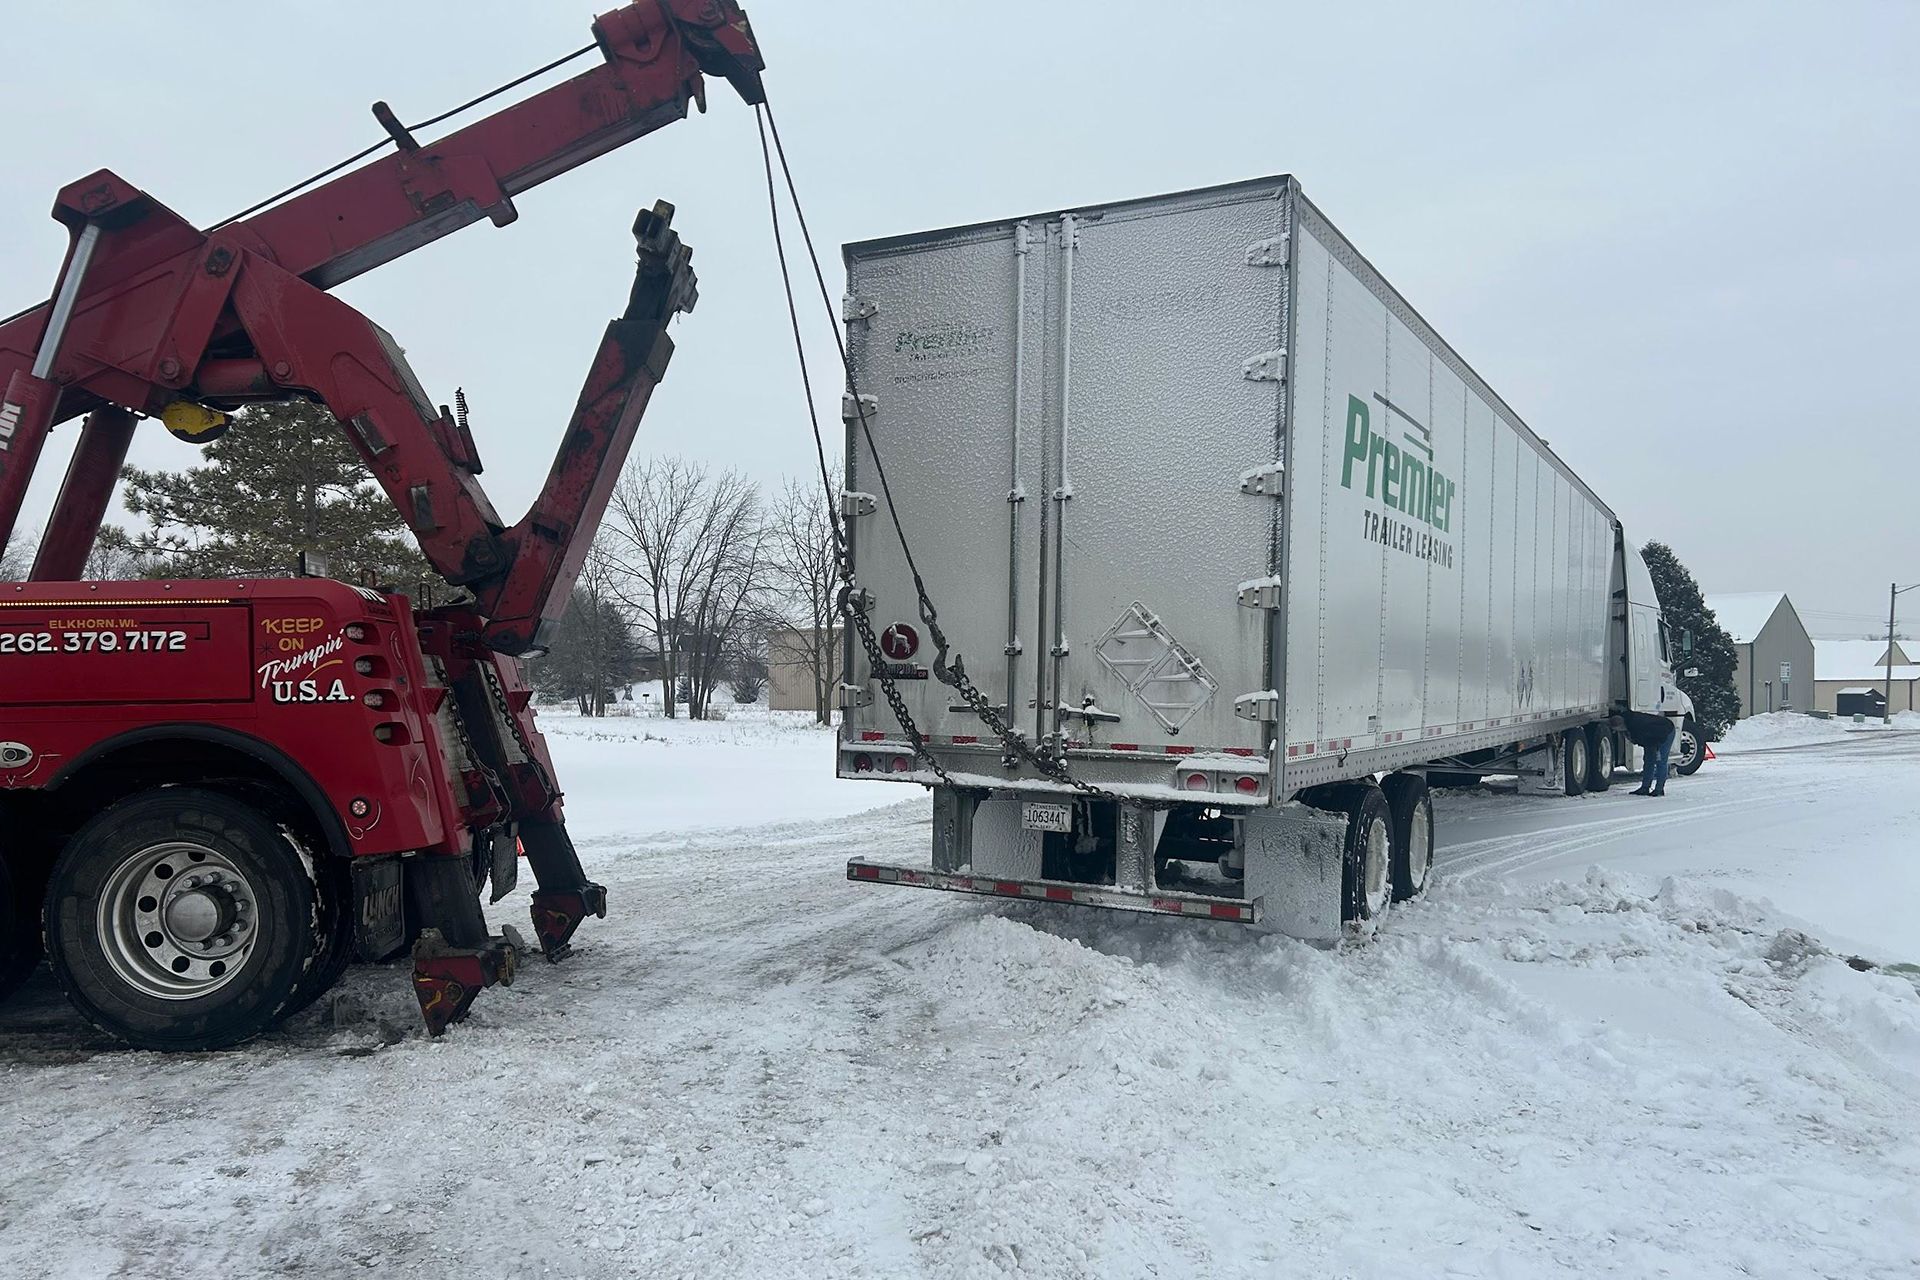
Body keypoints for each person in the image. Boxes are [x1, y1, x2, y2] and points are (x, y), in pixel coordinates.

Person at [1626, 683, 1689, 796]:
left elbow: (1656, 736)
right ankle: (1645, 787)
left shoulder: (1638, 726)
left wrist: (1657, 749)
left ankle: (1659, 789)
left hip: (1665, 733)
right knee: (1649, 760)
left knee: (1661, 760)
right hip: (1653, 736)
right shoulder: (1633, 724)